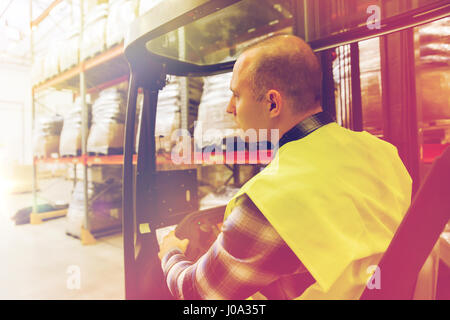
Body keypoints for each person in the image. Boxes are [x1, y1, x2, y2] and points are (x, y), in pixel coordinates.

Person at [158, 34, 412, 299]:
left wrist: (171, 252)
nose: (229, 108)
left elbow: (196, 292)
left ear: (272, 103)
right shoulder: (381, 151)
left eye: (236, 95)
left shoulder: (269, 199)